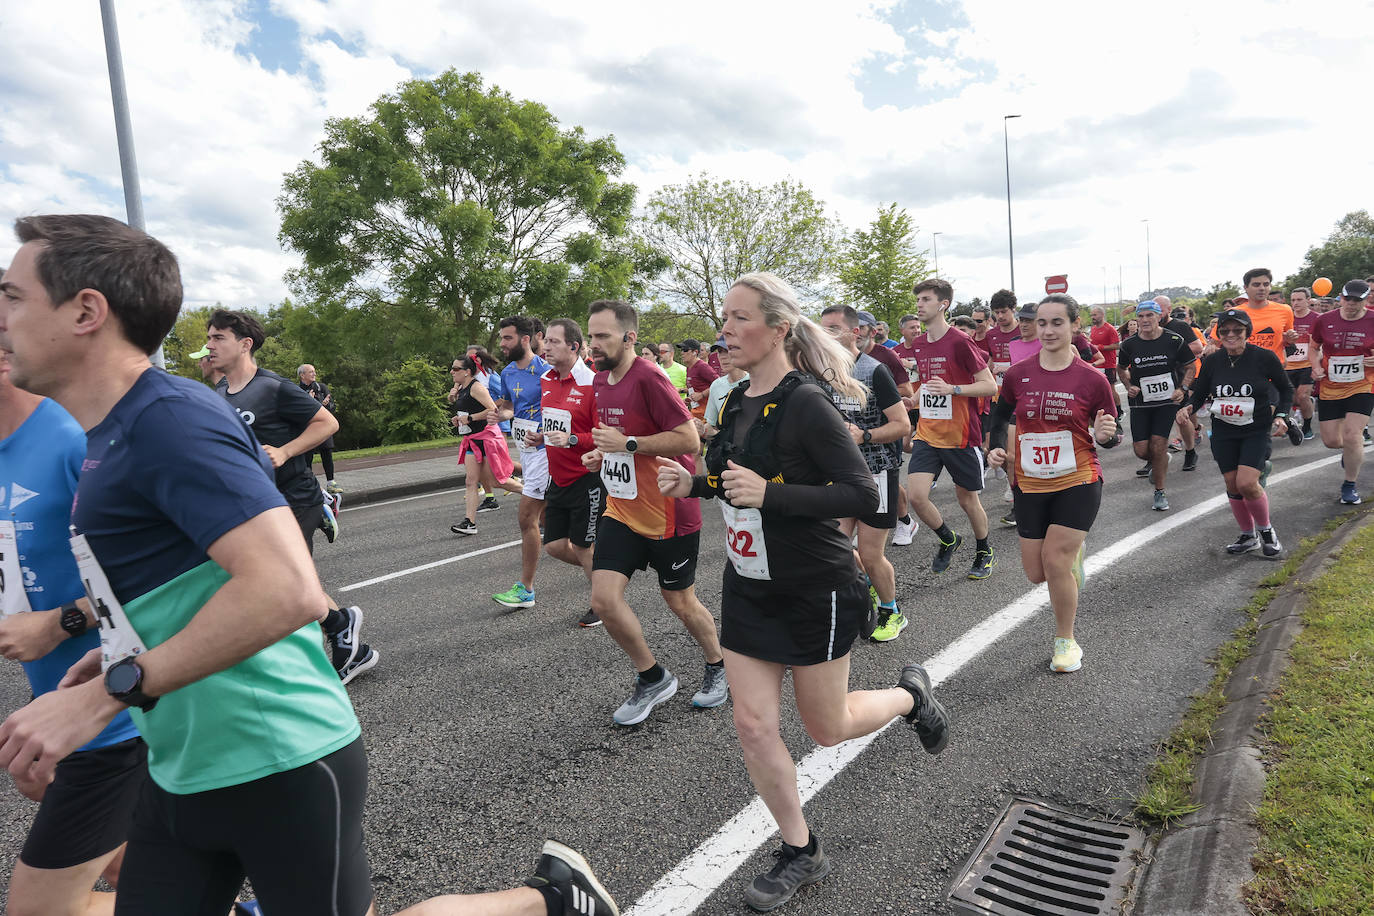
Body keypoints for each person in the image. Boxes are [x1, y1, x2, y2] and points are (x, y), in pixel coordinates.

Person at [0, 213, 618, 916]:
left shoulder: (166, 419)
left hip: (278, 758)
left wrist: (109, 690)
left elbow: (287, 589)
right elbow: (171, 578)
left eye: (13, 295)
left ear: (86, 311)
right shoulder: (110, 431)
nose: (1, 315)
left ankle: (546, 901)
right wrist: (114, 646)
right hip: (182, 764)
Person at [655, 272, 949, 912]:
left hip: (817, 585)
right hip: (748, 583)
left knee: (827, 727)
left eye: (738, 319)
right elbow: (730, 477)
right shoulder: (733, 400)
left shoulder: (807, 403)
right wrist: (693, 485)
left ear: (779, 329)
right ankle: (800, 848)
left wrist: (773, 496)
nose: (724, 330)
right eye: (722, 318)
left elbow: (862, 495)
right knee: (753, 724)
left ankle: (908, 695)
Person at [0, 348, 144, 916]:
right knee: (123, 865)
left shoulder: (70, 440)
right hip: (57, 706)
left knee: (40, 911)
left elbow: (164, 570)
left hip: (121, 714)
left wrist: (61, 622)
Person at [206, 309, 380, 684]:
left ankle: (315, 655)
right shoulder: (221, 391)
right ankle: (342, 630)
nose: (209, 344)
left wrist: (285, 452)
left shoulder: (274, 387)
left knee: (282, 582)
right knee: (289, 581)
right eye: (210, 337)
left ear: (245, 344)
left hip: (294, 496)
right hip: (256, 502)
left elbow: (328, 423)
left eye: (218, 337)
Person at [583, 300, 728, 724]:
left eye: (603, 336)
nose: (594, 344)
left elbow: (688, 441)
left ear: (629, 338)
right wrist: (601, 452)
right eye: (591, 335)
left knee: (680, 601)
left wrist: (626, 444)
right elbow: (619, 438)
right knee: (604, 600)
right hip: (622, 509)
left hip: (669, 511)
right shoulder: (600, 380)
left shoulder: (650, 377)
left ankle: (718, 666)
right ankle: (653, 678)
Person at [987, 294, 1119, 673]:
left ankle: (1066, 641)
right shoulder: (1018, 373)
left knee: (1055, 560)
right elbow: (1000, 418)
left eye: (1057, 322)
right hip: (1029, 482)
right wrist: (997, 450)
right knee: (1036, 572)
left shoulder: (1092, 379)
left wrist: (1107, 434)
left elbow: (1112, 432)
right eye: (1041, 323)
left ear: (1075, 326)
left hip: (1078, 477)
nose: (1047, 330)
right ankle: (1071, 555)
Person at [818, 305, 911, 641]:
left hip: (877, 473)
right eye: (822, 328)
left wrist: (864, 435)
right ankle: (868, 586)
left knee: (872, 554)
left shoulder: (875, 371)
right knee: (834, 547)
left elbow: (901, 425)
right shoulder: (824, 371)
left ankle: (891, 610)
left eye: (833, 329)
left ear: (855, 332)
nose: (825, 335)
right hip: (840, 474)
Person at [901, 280, 998, 578]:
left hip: (960, 435)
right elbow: (931, 382)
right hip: (929, 433)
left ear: (943, 304)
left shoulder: (959, 341)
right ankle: (948, 538)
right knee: (916, 496)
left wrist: (953, 389)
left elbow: (989, 384)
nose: (919, 304)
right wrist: (913, 400)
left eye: (926, 299)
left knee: (967, 499)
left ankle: (984, 550)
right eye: (918, 299)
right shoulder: (918, 345)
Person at [1182, 308, 1294, 560]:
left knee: (1246, 483)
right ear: (1218, 333)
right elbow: (1200, 393)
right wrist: (1187, 407)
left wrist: (1282, 415)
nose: (1231, 335)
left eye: (1237, 330)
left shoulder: (1263, 357)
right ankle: (1247, 535)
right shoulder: (1212, 361)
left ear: (1247, 332)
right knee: (1232, 483)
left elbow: (1285, 389)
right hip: (1223, 429)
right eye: (1225, 330)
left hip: (1255, 428)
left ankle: (1267, 531)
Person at [533, 318, 606, 628]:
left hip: (586, 478)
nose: (545, 347)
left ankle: (602, 605)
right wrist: (540, 434)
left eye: (553, 342)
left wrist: (574, 439)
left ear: (574, 347)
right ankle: (609, 575)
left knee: (583, 546)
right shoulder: (547, 379)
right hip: (558, 477)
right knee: (552, 545)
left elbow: (603, 435)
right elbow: (555, 423)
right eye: (545, 341)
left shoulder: (592, 383)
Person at [491, 315, 553, 610]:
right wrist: (500, 416)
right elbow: (511, 408)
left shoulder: (546, 371)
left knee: (526, 518)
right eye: (502, 338)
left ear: (525, 339)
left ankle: (526, 590)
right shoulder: (506, 373)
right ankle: (602, 568)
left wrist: (546, 434)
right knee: (552, 525)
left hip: (545, 451)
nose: (502, 344)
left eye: (507, 338)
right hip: (525, 451)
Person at [1117, 300, 1195, 511]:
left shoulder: (1174, 340)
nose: (1144, 320)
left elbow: (1190, 367)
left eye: (1149, 315)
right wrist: (1128, 384)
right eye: (1140, 316)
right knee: (1142, 451)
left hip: (1165, 402)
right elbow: (1121, 368)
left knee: (1158, 444)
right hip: (1140, 403)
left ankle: (1159, 492)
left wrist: (1183, 389)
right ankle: (1161, 460)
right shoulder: (1128, 344)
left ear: (1159, 317)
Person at [855, 309, 918, 545]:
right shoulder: (845, 357)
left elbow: (907, 391)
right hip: (857, 429)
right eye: (855, 327)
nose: (857, 333)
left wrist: (872, 394)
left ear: (872, 332)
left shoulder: (886, 356)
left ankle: (905, 522)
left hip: (885, 427)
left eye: (862, 328)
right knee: (864, 476)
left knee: (888, 478)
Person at [1311, 279, 1374, 505]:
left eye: (1357, 300)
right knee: (1330, 440)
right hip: (1330, 385)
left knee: (1352, 434)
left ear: (1366, 300)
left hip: (1363, 385)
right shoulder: (1324, 320)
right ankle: (1351, 451)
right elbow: (1313, 346)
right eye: (1347, 299)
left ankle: (1350, 485)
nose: (1351, 304)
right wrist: (1315, 366)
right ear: (1341, 297)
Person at [449, 353, 523, 535]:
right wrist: (458, 418)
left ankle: (540, 495)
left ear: (467, 372)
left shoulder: (476, 387)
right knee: (471, 481)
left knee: (499, 481)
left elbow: (493, 409)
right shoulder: (461, 387)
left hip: (487, 438)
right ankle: (470, 522)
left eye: (456, 369)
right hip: (471, 440)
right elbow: (464, 407)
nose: (452, 372)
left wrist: (470, 418)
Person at [1230, 269, 1297, 363]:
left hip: (1274, 369)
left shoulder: (1285, 310)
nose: (1262, 288)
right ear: (1245, 287)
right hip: (1243, 369)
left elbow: (1287, 339)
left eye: (1266, 284)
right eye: (1256, 285)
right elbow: (1216, 342)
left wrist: (1290, 339)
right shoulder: (1233, 313)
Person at [298, 364, 341, 494]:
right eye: (311, 372)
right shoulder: (297, 391)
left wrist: (325, 405)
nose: (314, 374)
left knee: (327, 452)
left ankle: (331, 483)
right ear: (302, 375)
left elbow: (332, 407)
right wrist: (309, 402)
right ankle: (310, 485)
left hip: (323, 426)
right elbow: (299, 412)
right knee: (307, 457)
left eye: (314, 372)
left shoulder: (321, 388)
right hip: (308, 428)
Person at [1286, 287, 1319, 440]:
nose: (1296, 303)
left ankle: (1306, 426)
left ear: (1308, 300)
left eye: (1299, 299)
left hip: (1307, 364)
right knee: (1292, 399)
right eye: (1293, 300)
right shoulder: (1287, 317)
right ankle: (1306, 406)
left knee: (1302, 395)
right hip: (1287, 365)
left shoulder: (1317, 318)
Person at [702, 339, 749, 440]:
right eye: (719, 352)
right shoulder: (716, 385)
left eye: (727, 350)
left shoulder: (754, 381)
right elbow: (711, 425)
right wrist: (701, 430)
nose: (722, 357)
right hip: (725, 452)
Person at [1089, 306, 1124, 413]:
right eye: (1091, 315)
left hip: (1108, 364)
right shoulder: (1093, 329)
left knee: (1111, 390)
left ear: (1102, 315)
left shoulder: (1110, 329)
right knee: (1097, 390)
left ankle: (1119, 411)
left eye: (1095, 315)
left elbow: (1117, 346)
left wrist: (1100, 347)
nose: (1092, 317)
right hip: (1096, 364)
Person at [679, 338, 720, 424]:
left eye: (685, 350)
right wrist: (690, 399)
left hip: (707, 414)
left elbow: (719, 383)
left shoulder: (702, 366)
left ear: (695, 352)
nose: (682, 353)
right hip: (696, 412)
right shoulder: (689, 367)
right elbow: (697, 388)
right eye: (681, 350)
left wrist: (702, 394)